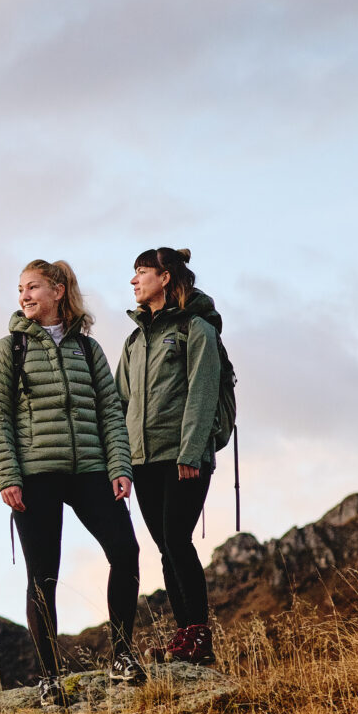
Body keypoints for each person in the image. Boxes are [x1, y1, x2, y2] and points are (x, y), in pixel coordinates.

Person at [0, 259, 145, 707]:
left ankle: (122, 656)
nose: (24, 296)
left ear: (58, 290)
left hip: (90, 470)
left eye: (33, 287)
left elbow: (111, 413)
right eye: (20, 290)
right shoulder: (9, 349)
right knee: (43, 576)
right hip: (35, 476)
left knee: (126, 552)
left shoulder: (88, 350)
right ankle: (49, 677)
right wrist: (8, 476)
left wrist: (120, 467)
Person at [119, 246, 224, 666]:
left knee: (177, 540)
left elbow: (203, 391)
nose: (133, 281)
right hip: (143, 461)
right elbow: (119, 403)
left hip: (184, 457)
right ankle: (185, 636)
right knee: (165, 545)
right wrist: (120, 463)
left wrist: (192, 451)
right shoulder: (133, 341)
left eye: (141, 272)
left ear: (164, 277)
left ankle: (198, 635)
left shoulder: (195, 328)